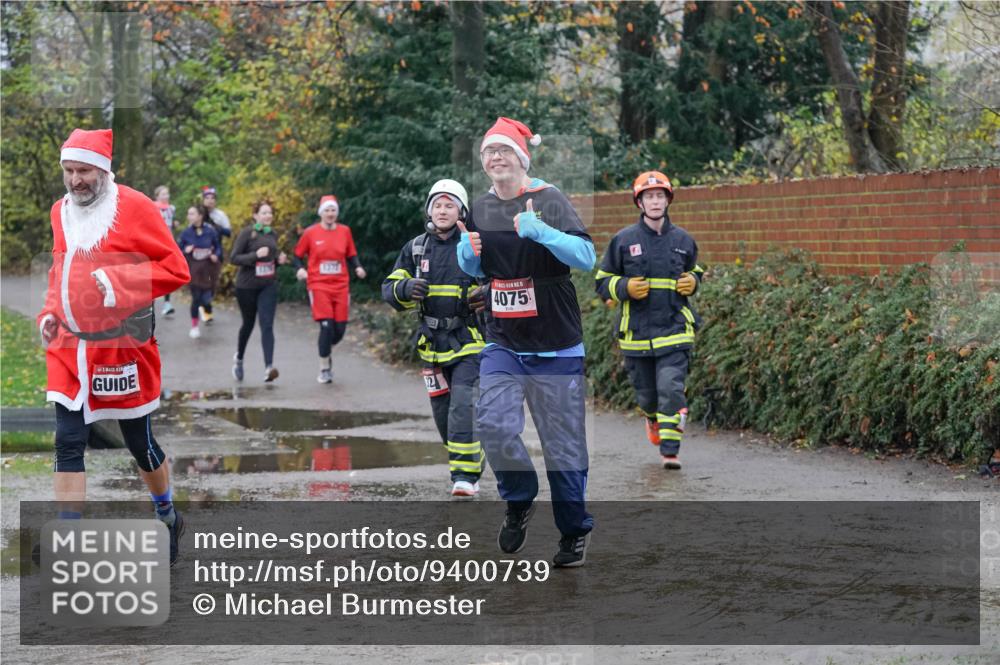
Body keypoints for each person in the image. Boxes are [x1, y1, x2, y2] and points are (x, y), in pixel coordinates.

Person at [37, 128, 190, 564]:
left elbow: (175, 269)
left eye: (83, 170)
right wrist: (49, 313)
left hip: (123, 349)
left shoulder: (137, 207)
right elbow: (58, 271)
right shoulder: (59, 211)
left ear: (103, 169)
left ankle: (167, 514)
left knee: (138, 443)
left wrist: (119, 282)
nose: (74, 180)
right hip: (70, 348)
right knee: (67, 441)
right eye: (68, 171)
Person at [457, 117, 597, 567]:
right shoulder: (479, 208)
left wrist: (544, 233)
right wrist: (469, 259)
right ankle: (520, 498)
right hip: (504, 341)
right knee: (493, 425)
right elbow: (484, 271)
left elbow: (586, 257)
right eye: (488, 153)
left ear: (521, 157)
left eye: (503, 151)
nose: (495, 158)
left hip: (556, 344)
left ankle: (573, 532)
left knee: (563, 448)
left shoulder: (549, 198)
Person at [382, 179, 486, 497]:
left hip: (469, 341)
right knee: (443, 416)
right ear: (429, 210)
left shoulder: (474, 244)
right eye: (437, 205)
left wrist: (484, 293)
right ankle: (472, 459)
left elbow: (498, 281)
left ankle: (464, 477)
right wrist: (404, 288)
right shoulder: (416, 248)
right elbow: (388, 287)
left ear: (461, 211)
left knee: (462, 408)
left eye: (449, 205)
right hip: (432, 347)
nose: (442, 210)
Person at [595, 171, 704, 469]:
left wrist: (694, 282)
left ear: (668, 200)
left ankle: (670, 452)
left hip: (675, 331)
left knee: (671, 388)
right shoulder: (623, 240)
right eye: (648, 197)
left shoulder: (683, 240)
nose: (655, 201)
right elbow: (602, 281)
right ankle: (652, 418)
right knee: (648, 397)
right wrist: (624, 288)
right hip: (636, 335)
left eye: (660, 196)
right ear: (639, 203)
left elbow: (697, 270)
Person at [294, 195, 366, 383]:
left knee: (339, 330)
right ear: (321, 213)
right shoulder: (311, 233)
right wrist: (300, 269)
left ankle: (325, 348)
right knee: (326, 326)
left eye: (333, 210)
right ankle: (324, 367)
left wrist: (357, 267)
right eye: (327, 210)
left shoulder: (345, 231)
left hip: (341, 285)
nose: (330, 213)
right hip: (318, 284)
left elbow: (351, 254)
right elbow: (297, 255)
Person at [230, 200, 287, 382]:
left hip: (267, 285)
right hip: (246, 286)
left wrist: (279, 260)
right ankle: (239, 359)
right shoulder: (248, 233)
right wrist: (255, 255)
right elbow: (234, 258)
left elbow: (270, 259)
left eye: (270, 213)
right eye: (264, 213)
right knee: (248, 324)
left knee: (267, 324)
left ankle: (269, 367)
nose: (268, 216)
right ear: (255, 216)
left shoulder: (273, 234)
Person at [178, 205, 222, 339]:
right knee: (196, 298)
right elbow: (178, 250)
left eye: (191, 214)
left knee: (206, 298)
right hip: (194, 270)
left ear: (200, 216)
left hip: (208, 270)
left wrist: (216, 254)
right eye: (188, 214)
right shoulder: (186, 233)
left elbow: (218, 247)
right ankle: (194, 326)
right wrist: (186, 250)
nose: (188, 216)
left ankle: (207, 307)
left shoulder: (210, 231)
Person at [199, 185, 231, 324]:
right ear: (203, 200)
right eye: (207, 198)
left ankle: (206, 304)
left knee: (212, 283)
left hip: (216, 253)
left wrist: (217, 227)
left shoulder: (220, 215)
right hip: (199, 254)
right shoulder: (199, 213)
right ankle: (206, 308)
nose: (210, 201)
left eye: (213, 198)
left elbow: (229, 233)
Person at [154, 185, 178, 316]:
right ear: (157, 196)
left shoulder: (171, 209)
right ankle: (148, 301)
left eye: (167, 194)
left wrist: (174, 224)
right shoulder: (153, 206)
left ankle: (167, 303)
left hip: (168, 242)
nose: (166, 196)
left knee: (168, 271)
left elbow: (170, 223)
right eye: (163, 194)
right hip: (155, 241)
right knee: (152, 271)